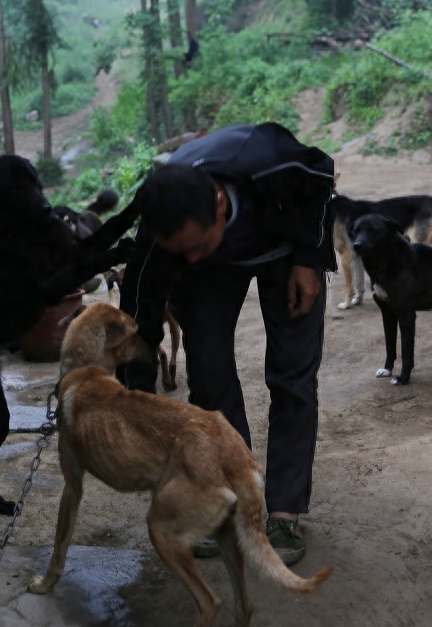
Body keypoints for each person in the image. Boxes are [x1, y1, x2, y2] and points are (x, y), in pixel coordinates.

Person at [119, 121, 336, 564]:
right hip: (217, 273)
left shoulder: (268, 162)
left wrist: (310, 258)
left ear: (219, 203)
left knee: (292, 375)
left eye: (196, 245)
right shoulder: (164, 228)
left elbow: (319, 177)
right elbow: (141, 309)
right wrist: (137, 394)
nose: (189, 258)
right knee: (209, 374)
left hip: (284, 248)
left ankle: (283, 512)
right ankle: (237, 497)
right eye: (181, 252)